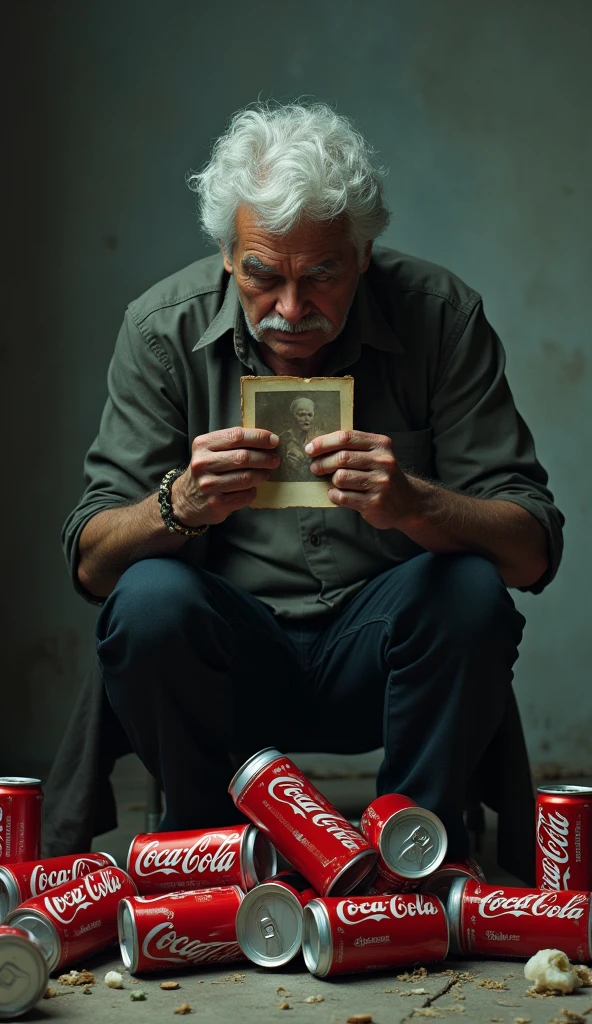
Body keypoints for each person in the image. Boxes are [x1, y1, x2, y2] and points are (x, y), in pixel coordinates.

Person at [63, 101, 563, 865]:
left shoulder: (440, 315)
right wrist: (180, 505)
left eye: (322, 275)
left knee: (469, 591)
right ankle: (205, 850)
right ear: (229, 256)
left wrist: (414, 503)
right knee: (148, 598)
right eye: (263, 276)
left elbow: (529, 555)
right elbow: (95, 567)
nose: (292, 310)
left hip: (387, 657)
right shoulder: (161, 330)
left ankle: (413, 861)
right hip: (229, 663)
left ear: (364, 256)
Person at [277, 397, 318, 480]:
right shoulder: (283, 440)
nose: (307, 419)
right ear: (293, 416)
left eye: (310, 415)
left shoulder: (313, 439)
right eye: (302, 414)